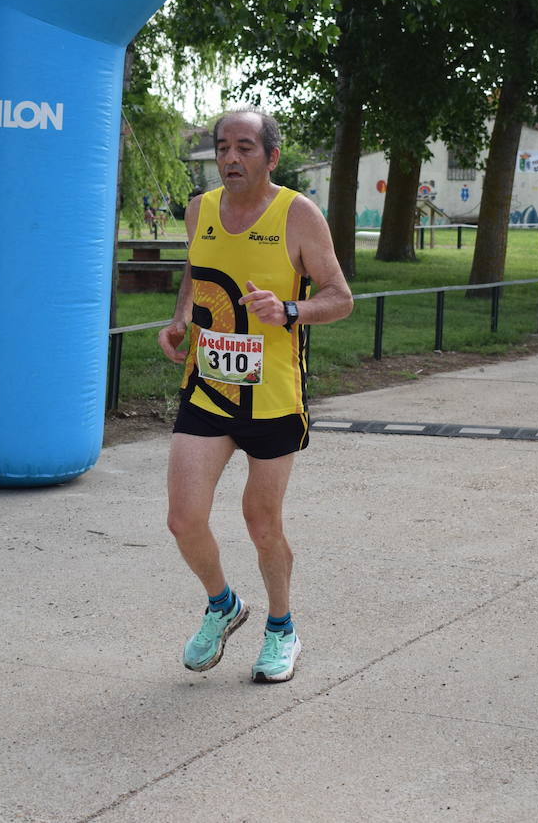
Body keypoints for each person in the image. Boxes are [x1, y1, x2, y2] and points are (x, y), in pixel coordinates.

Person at [157, 107, 353, 683]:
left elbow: (340, 297)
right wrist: (180, 319)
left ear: (271, 156)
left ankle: (282, 628)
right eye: (223, 147)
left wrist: (289, 309)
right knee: (183, 519)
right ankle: (223, 605)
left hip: (272, 397)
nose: (231, 158)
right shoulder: (200, 210)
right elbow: (197, 272)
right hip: (209, 388)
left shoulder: (298, 214)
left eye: (245, 147)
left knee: (261, 523)